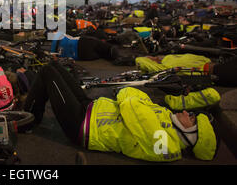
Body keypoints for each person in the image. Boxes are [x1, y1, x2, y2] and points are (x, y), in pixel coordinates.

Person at [24, 61, 218, 162]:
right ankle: (27, 111)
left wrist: (131, 99)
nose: (186, 112)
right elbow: (135, 102)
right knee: (54, 66)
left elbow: (131, 104)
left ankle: (27, 120)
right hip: (92, 108)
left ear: (192, 135)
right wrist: (132, 99)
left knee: (48, 73)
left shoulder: (166, 144)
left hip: (83, 126)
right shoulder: (168, 122)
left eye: (191, 118)